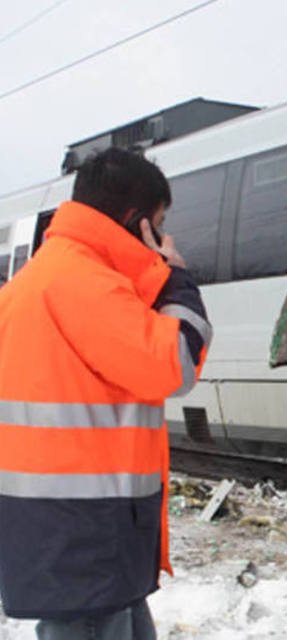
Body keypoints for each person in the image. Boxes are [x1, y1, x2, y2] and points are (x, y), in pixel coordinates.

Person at [0, 147, 212, 639]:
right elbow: (175, 364)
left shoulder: (36, 281)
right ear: (137, 223)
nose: (162, 238)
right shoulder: (84, 285)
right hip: (86, 536)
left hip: (65, 530)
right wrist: (175, 276)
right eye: (158, 225)